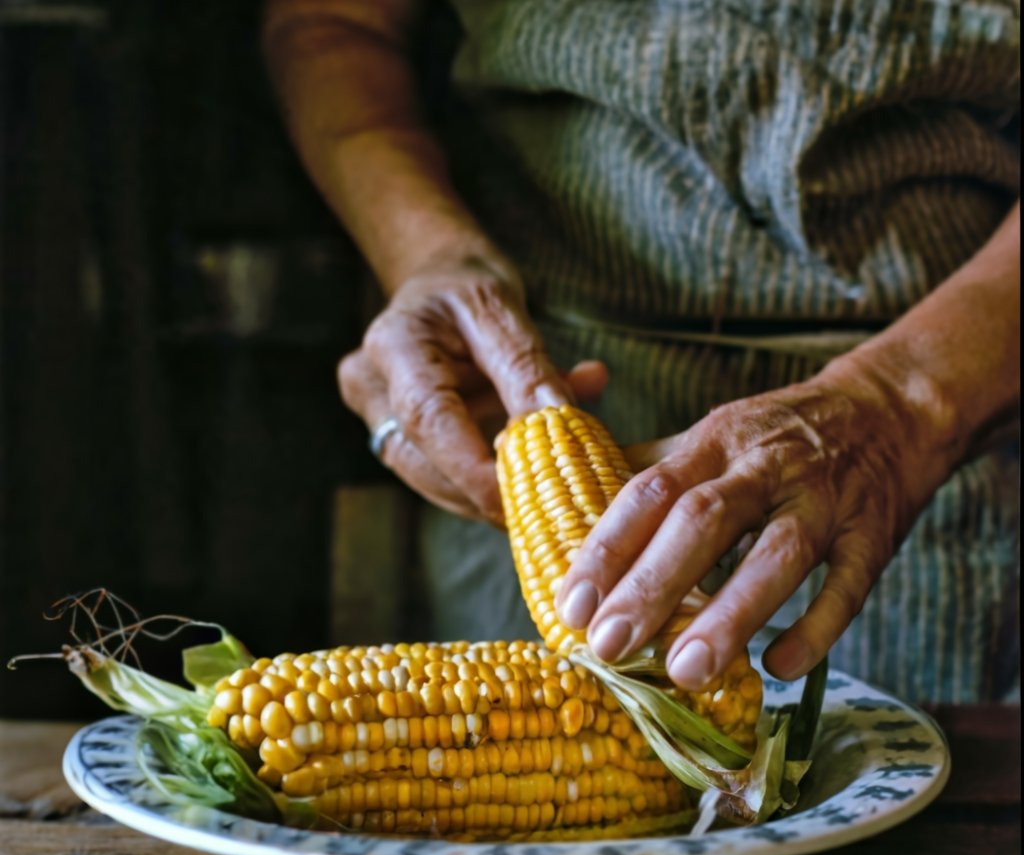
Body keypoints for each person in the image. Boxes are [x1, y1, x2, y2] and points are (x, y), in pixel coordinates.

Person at [264, 0, 1020, 702]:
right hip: (552, 387)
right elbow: (334, 22)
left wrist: (904, 400)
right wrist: (428, 252)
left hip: (951, 405)